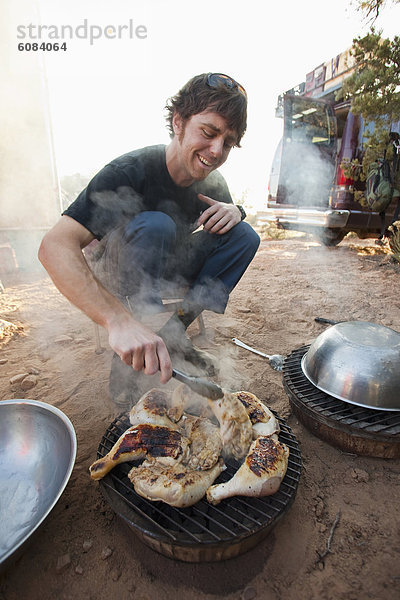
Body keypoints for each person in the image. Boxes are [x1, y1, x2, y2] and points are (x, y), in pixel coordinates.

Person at [39, 72, 260, 408]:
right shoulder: (129, 170)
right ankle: (136, 341)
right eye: (209, 133)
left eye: (227, 143)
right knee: (157, 224)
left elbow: (227, 233)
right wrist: (117, 321)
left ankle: (173, 334)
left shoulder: (213, 184)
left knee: (243, 236)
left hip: (167, 265)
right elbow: (53, 246)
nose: (216, 151)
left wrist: (236, 211)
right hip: (119, 273)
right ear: (178, 123)